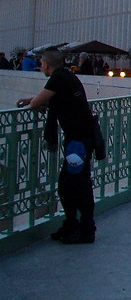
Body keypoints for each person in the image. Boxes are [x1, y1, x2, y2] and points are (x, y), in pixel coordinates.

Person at [17, 48, 98, 243]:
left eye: (42, 63)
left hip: (78, 141)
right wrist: (33, 100)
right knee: (76, 183)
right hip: (84, 136)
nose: (41, 66)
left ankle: (84, 228)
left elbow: (38, 102)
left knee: (73, 185)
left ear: (46, 64)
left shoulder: (58, 78)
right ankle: (75, 225)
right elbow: (47, 97)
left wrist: (32, 101)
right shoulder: (67, 76)